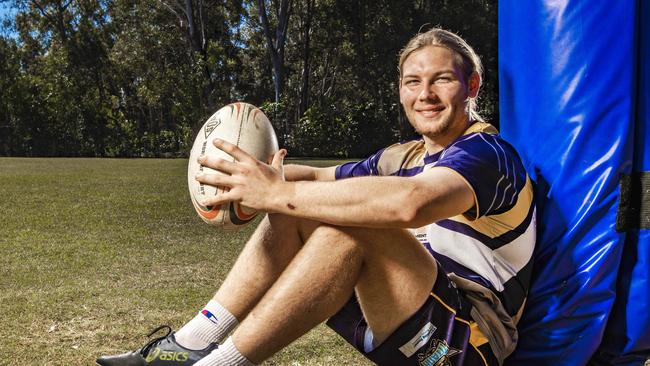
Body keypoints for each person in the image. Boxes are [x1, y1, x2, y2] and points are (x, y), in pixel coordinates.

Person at [97, 27, 535, 366]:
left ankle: (218, 363)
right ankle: (190, 344)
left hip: (465, 344)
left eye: (442, 80)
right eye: (412, 82)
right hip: (398, 316)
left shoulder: (487, 154)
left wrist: (276, 190)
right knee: (301, 203)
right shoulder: (404, 155)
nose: (425, 95)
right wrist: (249, 174)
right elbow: (320, 179)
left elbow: (411, 203)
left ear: (472, 85)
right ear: (400, 89)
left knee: (349, 227)